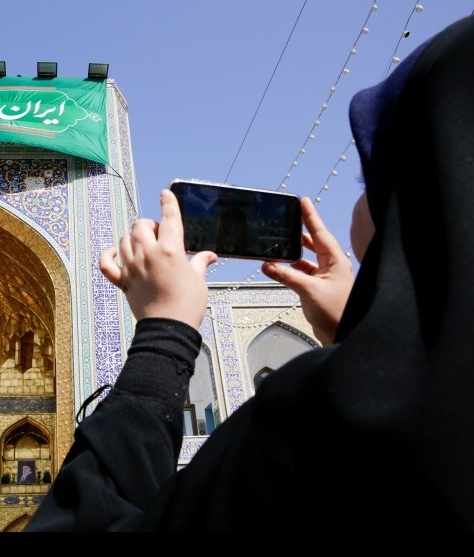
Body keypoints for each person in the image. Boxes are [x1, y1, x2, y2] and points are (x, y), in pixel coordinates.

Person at [25, 15, 474, 531]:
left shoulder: (317, 426)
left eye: (370, 176)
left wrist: (163, 339)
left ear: (423, 194)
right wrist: (354, 337)